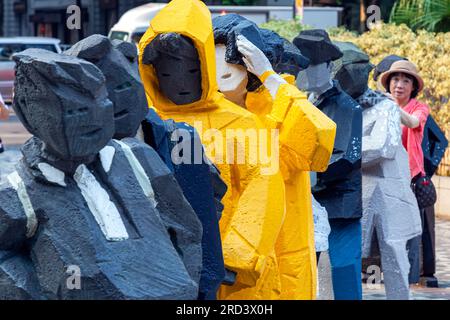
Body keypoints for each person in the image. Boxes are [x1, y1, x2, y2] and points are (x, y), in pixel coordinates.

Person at [333, 42, 422, 299]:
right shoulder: (344, 106)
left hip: (389, 189)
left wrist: (339, 154)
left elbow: (382, 146)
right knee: (346, 253)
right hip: (357, 189)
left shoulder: (386, 107)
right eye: (396, 78)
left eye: (406, 80)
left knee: (394, 254)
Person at [294, 30, 363, 300]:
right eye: (304, 65)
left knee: (343, 270)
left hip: (340, 203)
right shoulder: (305, 105)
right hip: (308, 204)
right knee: (308, 272)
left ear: (329, 66)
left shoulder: (348, 107)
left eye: (313, 65)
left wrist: (310, 175)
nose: (308, 72)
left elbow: (348, 156)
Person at [380, 60, 434, 286]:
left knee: (411, 232)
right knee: (387, 230)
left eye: (405, 80)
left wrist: (391, 107)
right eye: (395, 79)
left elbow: (412, 122)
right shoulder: (380, 105)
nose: (399, 85)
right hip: (385, 177)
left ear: (413, 87)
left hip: (410, 179)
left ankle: (409, 278)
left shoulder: (419, 108)